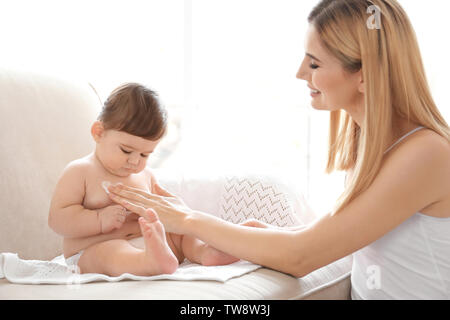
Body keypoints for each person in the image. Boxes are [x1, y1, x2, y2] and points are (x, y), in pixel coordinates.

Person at [105, 0, 450, 299]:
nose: (301, 73)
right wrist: (267, 235)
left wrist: (187, 219)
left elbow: (302, 257)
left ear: (365, 75)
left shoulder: (426, 154)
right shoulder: (375, 145)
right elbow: (335, 237)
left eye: (315, 63)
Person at [48, 83, 238, 277]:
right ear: (99, 132)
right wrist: (98, 219)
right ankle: (148, 263)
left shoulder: (146, 175)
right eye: (126, 150)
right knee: (109, 253)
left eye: (145, 154)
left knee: (181, 233)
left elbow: (164, 210)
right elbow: (57, 219)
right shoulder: (80, 171)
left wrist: (164, 216)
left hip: (147, 242)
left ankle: (203, 251)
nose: (135, 161)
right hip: (91, 250)